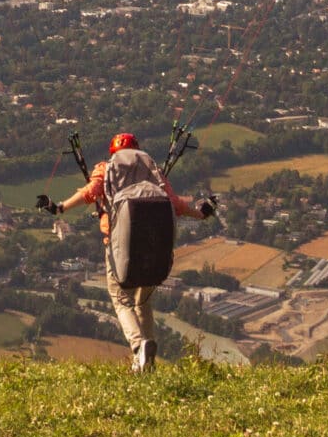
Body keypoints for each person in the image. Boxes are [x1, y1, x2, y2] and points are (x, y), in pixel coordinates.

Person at [53, 130, 216, 374]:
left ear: (114, 152)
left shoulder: (106, 168)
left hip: (120, 247)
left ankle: (139, 346)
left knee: (122, 300)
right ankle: (147, 358)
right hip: (154, 247)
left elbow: (89, 192)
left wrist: (60, 207)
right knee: (143, 301)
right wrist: (201, 213)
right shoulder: (153, 171)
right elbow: (175, 205)